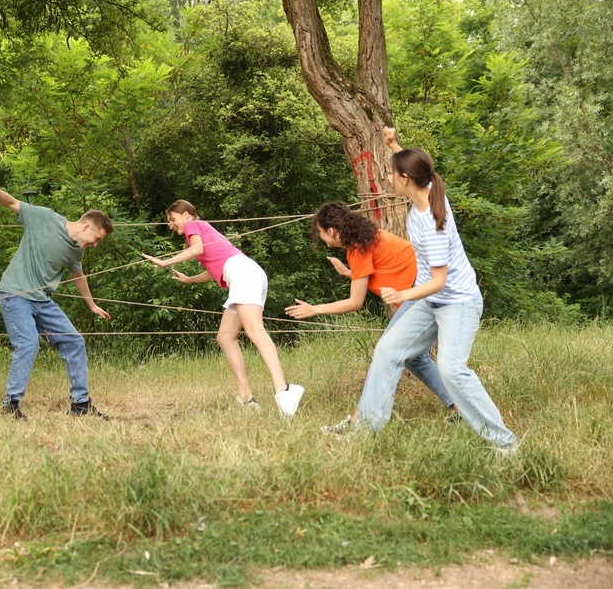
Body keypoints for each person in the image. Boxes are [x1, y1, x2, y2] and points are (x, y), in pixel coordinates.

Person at [343, 127, 517, 453]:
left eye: (391, 175)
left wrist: (402, 295)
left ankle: (504, 444)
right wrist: (394, 145)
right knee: (387, 351)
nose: (387, 180)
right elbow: (420, 166)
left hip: (457, 303)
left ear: (406, 179)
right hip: (430, 301)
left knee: (453, 371)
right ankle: (366, 430)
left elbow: (439, 281)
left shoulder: (433, 223)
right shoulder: (430, 187)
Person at [285, 201, 456, 427]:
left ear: (332, 230)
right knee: (414, 357)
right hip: (433, 288)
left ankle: (362, 422)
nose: (321, 237)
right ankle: (459, 406)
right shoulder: (364, 239)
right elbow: (380, 271)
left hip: (424, 290)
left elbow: (356, 302)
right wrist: (349, 273)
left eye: (320, 232)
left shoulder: (357, 247)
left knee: (386, 351)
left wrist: (314, 309)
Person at [142, 201, 304, 416]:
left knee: (255, 331)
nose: (171, 224)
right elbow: (213, 270)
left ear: (187, 215)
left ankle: (284, 389)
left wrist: (166, 262)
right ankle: (247, 399)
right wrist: (189, 279)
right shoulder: (203, 230)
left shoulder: (194, 226)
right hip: (244, 274)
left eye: (173, 218)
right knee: (225, 337)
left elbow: (196, 249)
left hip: (244, 275)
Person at [0, 172, 113, 420]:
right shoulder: (45, 218)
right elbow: (12, 203)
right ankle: (11, 406)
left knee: (75, 341)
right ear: (85, 227)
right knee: (28, 343)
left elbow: (78, 276)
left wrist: (92, 305)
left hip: (42, 301)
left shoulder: (76, 250)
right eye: (96, 239)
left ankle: (81, 405)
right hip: (15, 294)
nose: (95, 244)